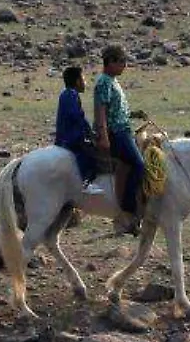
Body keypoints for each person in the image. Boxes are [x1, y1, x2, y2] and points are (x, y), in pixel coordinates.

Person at [92, 45, 145, 232]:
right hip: (116, 133)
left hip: (123, 129)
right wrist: (104, 136)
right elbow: (101, 110)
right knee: (139, 165)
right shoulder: (104, 82)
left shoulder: (112, 81)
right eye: (122, 61)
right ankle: (129, 210)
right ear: (111, 62)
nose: (125, 65)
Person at [54, 65, 98, 183]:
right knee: (91, 157)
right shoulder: (71, 95)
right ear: (78, 81)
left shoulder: (66, 93)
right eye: (83, 79)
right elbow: (78, 117)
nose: (85, 82)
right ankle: (85, 183)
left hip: (64, 138)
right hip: (71, 140)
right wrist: (90, 134)